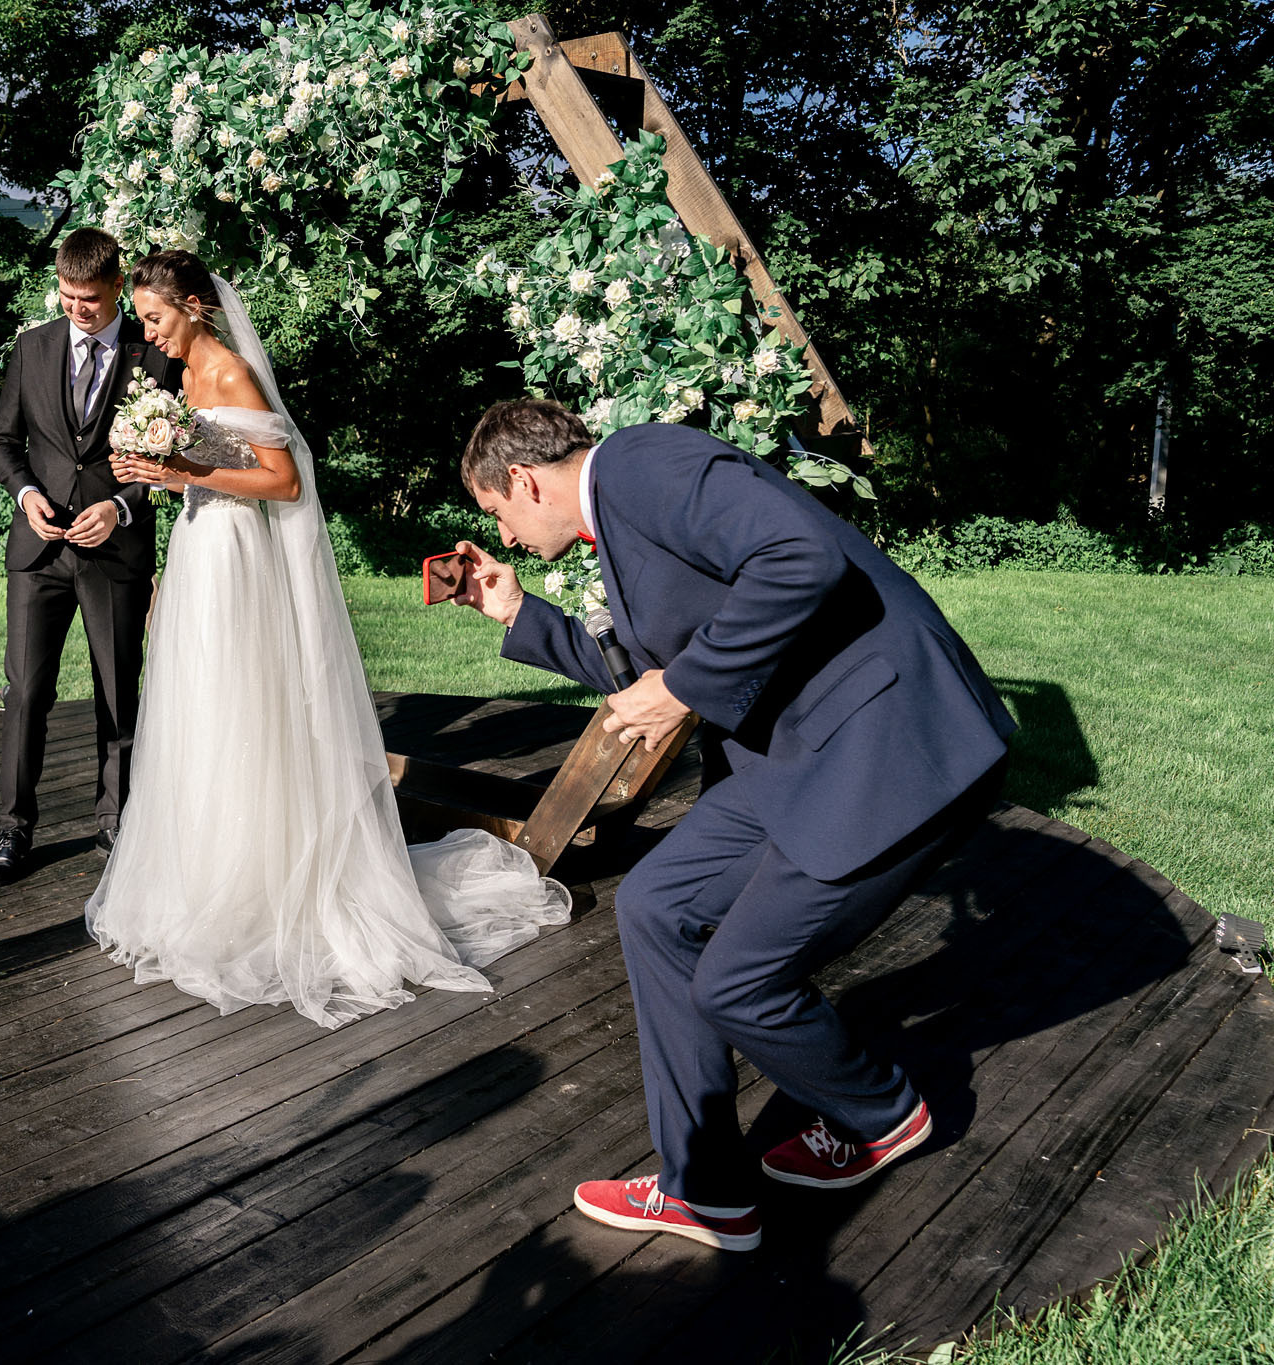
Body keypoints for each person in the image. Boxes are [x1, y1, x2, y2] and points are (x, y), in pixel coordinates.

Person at [452, 400, 1014, 1251]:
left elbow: (802, 556)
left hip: (885, 747)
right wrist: (514, 613)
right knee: (652, 904)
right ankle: (704, 1186)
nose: (506, 533)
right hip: (798, 750)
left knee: (737, 984)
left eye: (498, 513)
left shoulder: (642, 463)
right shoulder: (624, 521)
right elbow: (645, 669)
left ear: (523, 480)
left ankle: (882, 1112)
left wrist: (682, 687)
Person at [88, 250, 572, 1029]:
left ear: (193, 307)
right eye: (143, 320)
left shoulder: (233, 375)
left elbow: (285, 482)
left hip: (239, 555)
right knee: (205, 710)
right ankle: (213, 873)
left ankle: (269, 881)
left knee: (245, 705)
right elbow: (203, 462)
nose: (148, 332)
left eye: (153, 317)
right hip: (202, 548)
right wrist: (152, 468)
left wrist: (183, 474)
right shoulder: (180, 378)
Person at [0, 228, 184, 886]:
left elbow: (171, 459)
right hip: (38, 554)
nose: (76, 309)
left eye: (89, 300)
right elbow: (2, 444)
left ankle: (117, 818)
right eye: (67, 297)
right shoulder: (31, 348)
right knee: (25, 693)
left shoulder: (151, 356)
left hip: (114, 551)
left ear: (117, 287)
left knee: (118, 693)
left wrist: (121, 507)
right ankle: (14, 827)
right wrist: (27, 494)